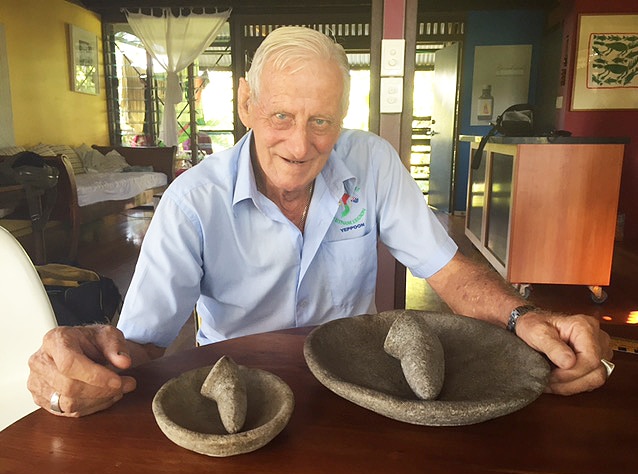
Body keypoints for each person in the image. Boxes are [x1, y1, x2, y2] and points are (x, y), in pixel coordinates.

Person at [28, 26, 613, 418]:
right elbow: (144, 345)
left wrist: (527, 316)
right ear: (245, 104)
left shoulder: (372, 162)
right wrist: (93, 357)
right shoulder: (191, 202)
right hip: (238, 393)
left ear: (344, 118)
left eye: (323, 121)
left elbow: (449, 271)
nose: (301, 145)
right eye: (281, 115)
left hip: (352, 384)